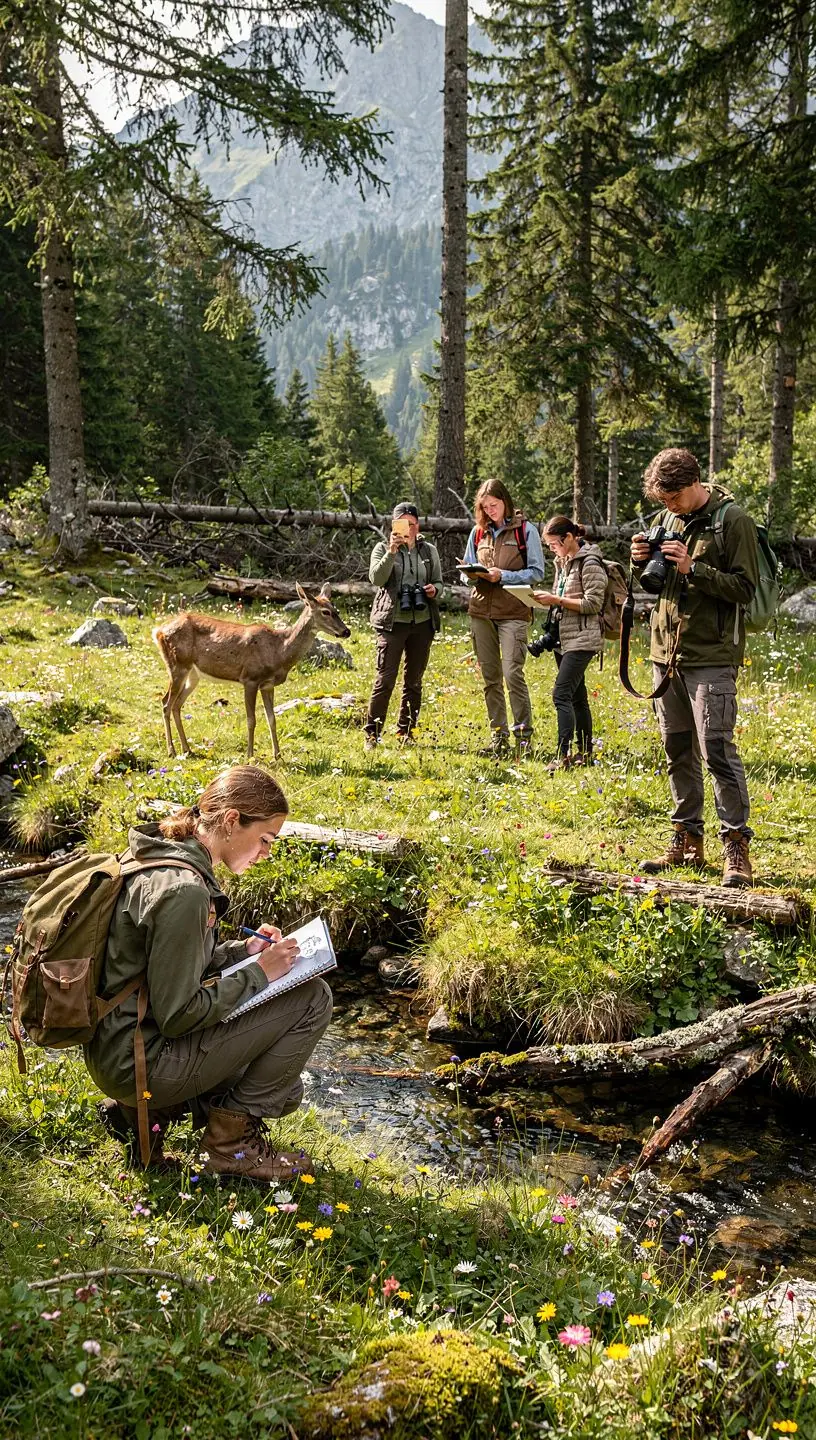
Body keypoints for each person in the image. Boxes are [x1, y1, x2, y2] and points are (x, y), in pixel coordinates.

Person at [89, 765, 332, 1178]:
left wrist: (246, 952)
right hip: (138, 1062)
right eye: (265, 840)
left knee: (285, 1087)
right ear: (233, 820)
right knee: (312, 1001)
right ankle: (228, 1145)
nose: (266, 853)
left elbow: (165, 967)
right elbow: (179, 1014)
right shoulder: (185, 892)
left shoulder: (165, 856)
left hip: (119, 1047)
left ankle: (146, 1114)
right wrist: (260, 974)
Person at [630, 447, 759, 888]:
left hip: (712, 656)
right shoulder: (669, 520)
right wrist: (642, 559)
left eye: (672, 499)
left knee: (717, 750)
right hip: (666, 654)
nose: (667, 507)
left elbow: (744, 588)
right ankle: (686, 839)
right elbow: (661, 580)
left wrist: (694, 568)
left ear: (692, 486)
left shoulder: (732, 520)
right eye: (662, 501)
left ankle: (736, 846)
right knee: (676, 749)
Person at [462, 478, 545, 756]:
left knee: (512, 674)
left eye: (494, 505)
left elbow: (536, 572)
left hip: (514, 612)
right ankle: (498, 740)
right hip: (480, 612)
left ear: (505, 501)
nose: (490, 511)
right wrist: (472, 575)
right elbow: (466, 571)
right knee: (491, 678)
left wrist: (503, 576)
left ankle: (523, 741)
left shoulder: (526, 531)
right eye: (485, 507)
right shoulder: (477, 532)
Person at [364, 501, 443, 750]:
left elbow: (440, 583)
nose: (407, 528)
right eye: (401, 524)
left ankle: (406, 732)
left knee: (414, 681)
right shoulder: (382, 548)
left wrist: (433, 590)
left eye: (411, 524)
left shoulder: (428, 551)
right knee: (385, 680)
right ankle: (372, 735)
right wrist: (391, 552)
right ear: (393, 525)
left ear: (417, 525)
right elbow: (376, 578)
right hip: (392, 622)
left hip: (422, 622)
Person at [531, 515, 606, 769]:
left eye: (554, 544)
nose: (552, 549)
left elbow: (592, 603)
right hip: (564, 638)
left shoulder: (590, 562)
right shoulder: (562, 562)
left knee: (560, 695)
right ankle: (585, 754)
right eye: (549, 545)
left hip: (583, 639)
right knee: (577, 698)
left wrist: (556, 600)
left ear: (569, 538)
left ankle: (562, 755)